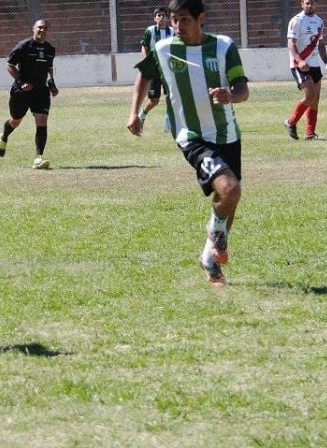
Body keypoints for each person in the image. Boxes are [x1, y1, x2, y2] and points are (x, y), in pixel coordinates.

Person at [126, 0, 249, 287]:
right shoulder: (164, 48)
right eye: (173, 20)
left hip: (227, 133)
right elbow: (144, 74)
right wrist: (134, 112)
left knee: (229, 200)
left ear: (201, 18)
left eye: (183, 20)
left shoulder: (223, 46)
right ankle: (214, 233)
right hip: (191, 136)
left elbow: (242, 88)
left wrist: (230, 96)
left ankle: (208, 258)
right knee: (230, 189)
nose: (177, 26)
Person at [0, 19, 59, 170]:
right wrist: (21, 82)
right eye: (39, 27)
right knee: (16, 120)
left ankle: (38, 158)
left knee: (42, 121)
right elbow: (9, 65)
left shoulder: (50, 49)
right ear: (33, 29)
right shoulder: (24, 46)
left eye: (45, 28)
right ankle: (4, 136)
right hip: (21, 91)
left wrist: (52, 85)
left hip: (41, 92)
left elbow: (49, 68)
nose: (42, 30)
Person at [284, 0, 327, 140]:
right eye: (307, 3)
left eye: (312, 3)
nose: (310, 6)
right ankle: (290, 122)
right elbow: (291, 44)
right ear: (302, 4)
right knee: (310, 95)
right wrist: (300, 60)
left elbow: (320, 44)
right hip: (299, 64)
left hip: (315, 64)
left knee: (315, 99)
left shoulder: (319, 21)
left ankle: (310, 133)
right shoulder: (296, 21)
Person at [138, 7, 174, 132]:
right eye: (158, 15)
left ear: (167, 18)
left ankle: (169, 125)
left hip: (168, 70)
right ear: (155, 18)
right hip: (155, 70)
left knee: (171, 96)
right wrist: (146, 62)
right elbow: (144, 47)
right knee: (154, 100)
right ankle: (141, 116)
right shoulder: (150, 31)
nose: (161, 17)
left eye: (163, 15)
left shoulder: (172, 32)